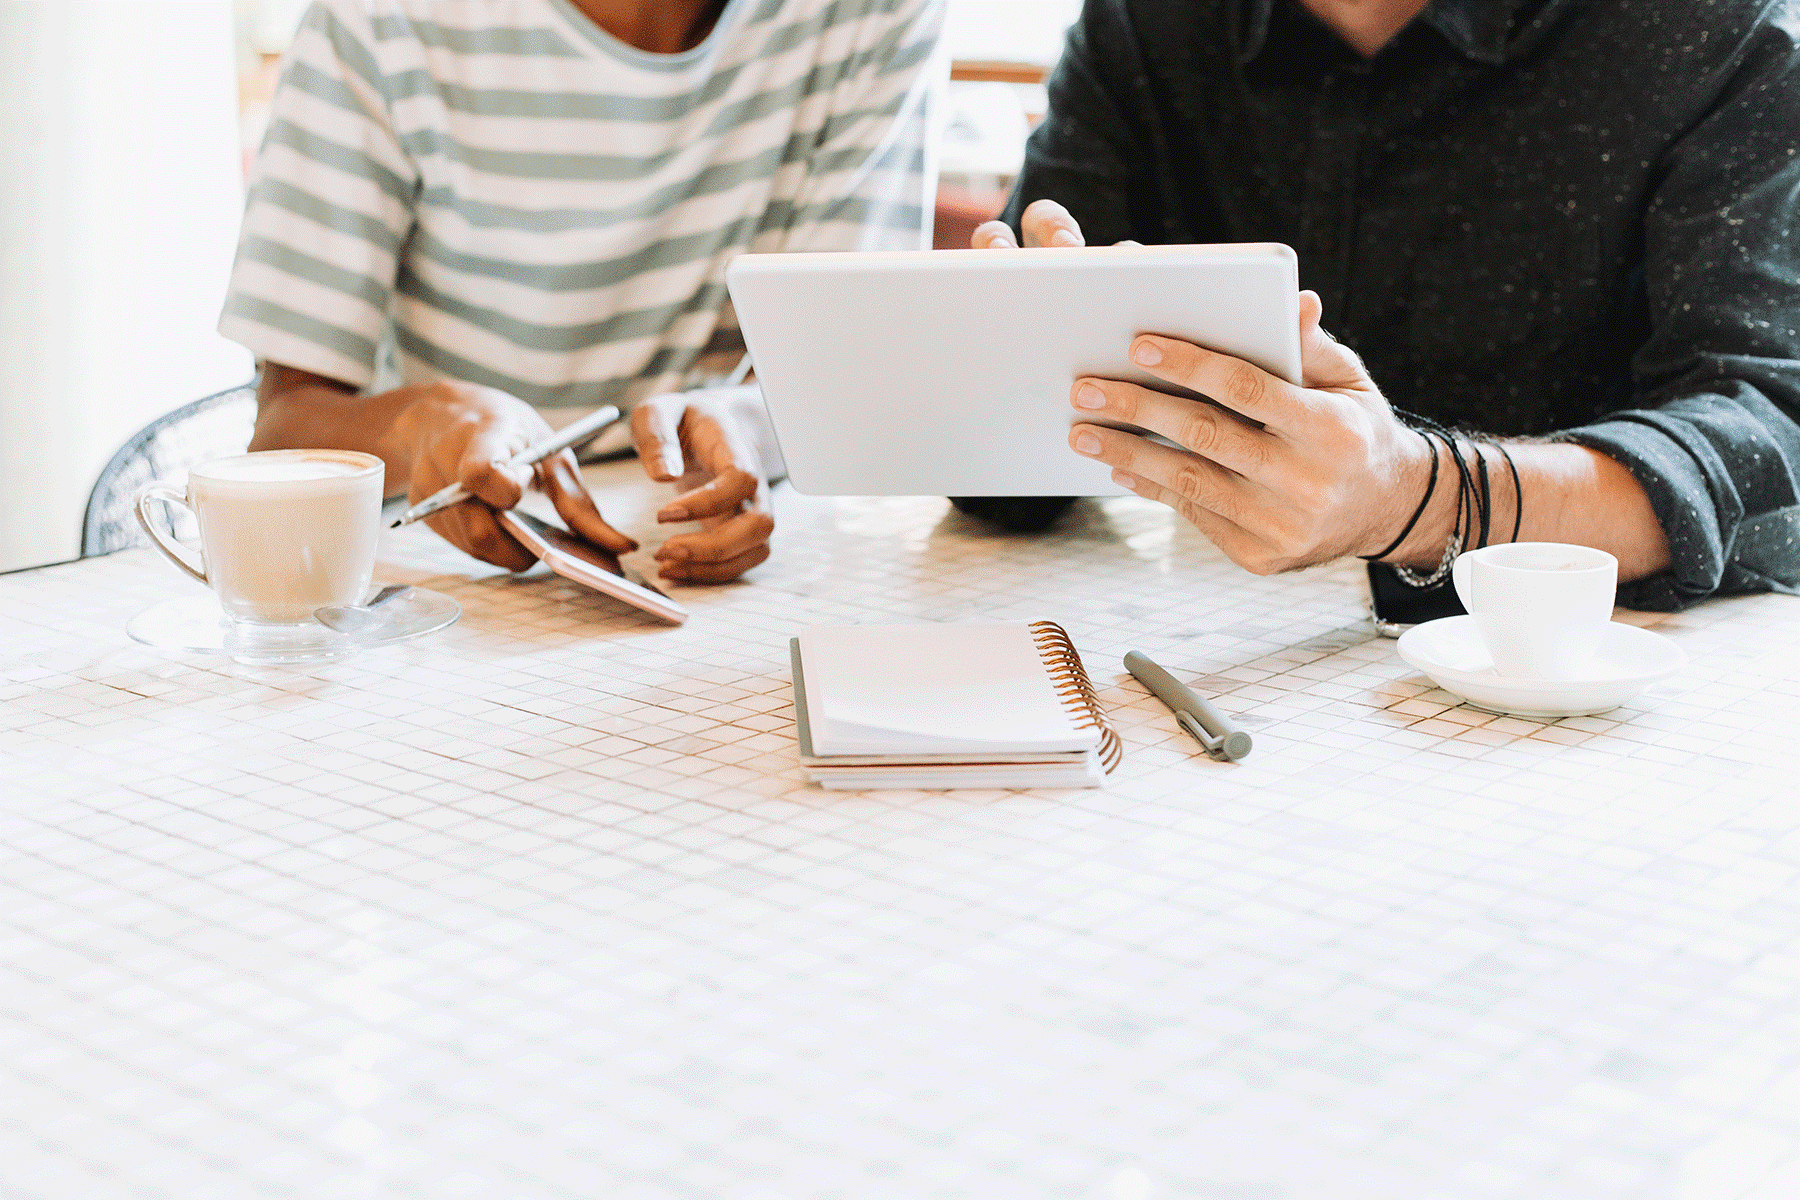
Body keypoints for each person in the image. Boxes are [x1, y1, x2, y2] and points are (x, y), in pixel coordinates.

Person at [971, 0, 1800, 611]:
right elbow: (1002, 471)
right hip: (1208, 660)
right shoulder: (1142, 28)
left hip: (1589, 681)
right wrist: (1000, 368)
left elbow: (1768, 437)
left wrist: (1416, 498)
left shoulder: (1714, 30)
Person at [221, 0, 942, 582]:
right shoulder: (375, 22)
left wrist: (751, 425)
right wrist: (422, 425)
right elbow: (283, 430)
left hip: (720, 559)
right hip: (443, 576)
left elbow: (847, 375)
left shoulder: (872, 15)